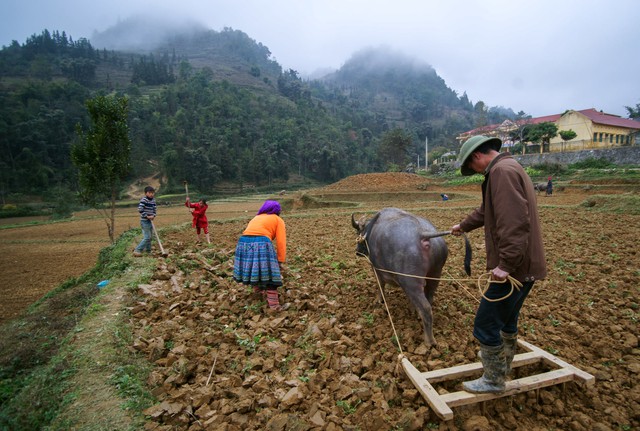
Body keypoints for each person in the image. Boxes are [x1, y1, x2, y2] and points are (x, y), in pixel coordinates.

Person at [450, 135, 546, 394]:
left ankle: (493, 380)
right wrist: (463, 225)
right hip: (525, 267)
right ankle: (503, 368)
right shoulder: (509, 167)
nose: (473, 171)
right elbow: (487, 211)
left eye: (471, 167)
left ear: (477, 157)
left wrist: (505, 265)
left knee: (485, 324)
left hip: (515, 269)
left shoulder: (501, 173)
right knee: (506, 320)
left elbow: (515, 222)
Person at [233, 200, 289, 312]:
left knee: (256, 269)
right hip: (261, 242)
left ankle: (258, 295)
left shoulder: (256, 217)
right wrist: (280, 261)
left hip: (244, 242)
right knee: (270, 275)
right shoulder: (277, 219)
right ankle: (274, 306)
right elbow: (281, 242)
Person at [133, 186, 157, 257]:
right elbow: (140, 209)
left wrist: (153, 215)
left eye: (152, 193)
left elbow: (155, 209)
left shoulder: (153, 200)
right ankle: (137, 250)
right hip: (145, 221)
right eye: (150, 193)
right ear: (146, 193)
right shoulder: (144, 200)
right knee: (147, 237)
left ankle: (148, 251)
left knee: (150, 237)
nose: (151, 194)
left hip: (150, 221)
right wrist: (147, 216)